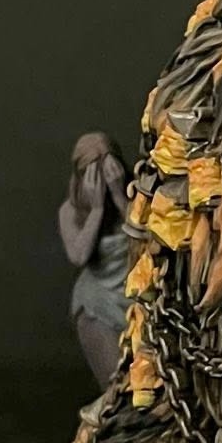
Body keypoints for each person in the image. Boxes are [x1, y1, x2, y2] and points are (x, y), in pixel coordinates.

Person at [59, 130, 131, 384]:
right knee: (117, 384)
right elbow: (79, 256)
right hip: (100, 302)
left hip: (137, 294)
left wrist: (120, 197)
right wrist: (97, 209)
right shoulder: (70, 211)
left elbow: (149, 241)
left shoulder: (134, 196)